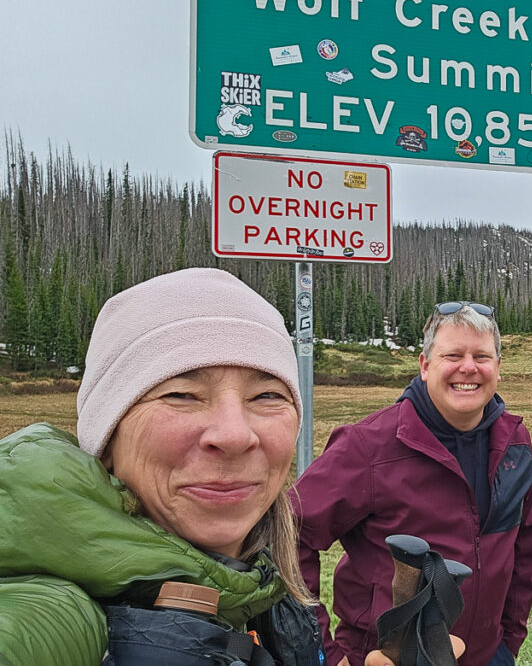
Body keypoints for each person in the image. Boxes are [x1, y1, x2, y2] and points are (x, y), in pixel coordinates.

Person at [0, 267, 344, 664]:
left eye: (266, 395)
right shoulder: (47, 623)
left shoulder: (262, 586)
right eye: (181, 394)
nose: (235, 435)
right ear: (106, 438)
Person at [291, 301, 532, 666]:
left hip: (488, 656)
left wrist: (509, 641)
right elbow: (290, 532)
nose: (469, 367)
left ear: (498, 368)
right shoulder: (369, 445)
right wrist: (322, 655)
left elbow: (526, 547)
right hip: (386, 660)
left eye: (482, 356)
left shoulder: (514, 442)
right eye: (453, 354)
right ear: (425, 366)